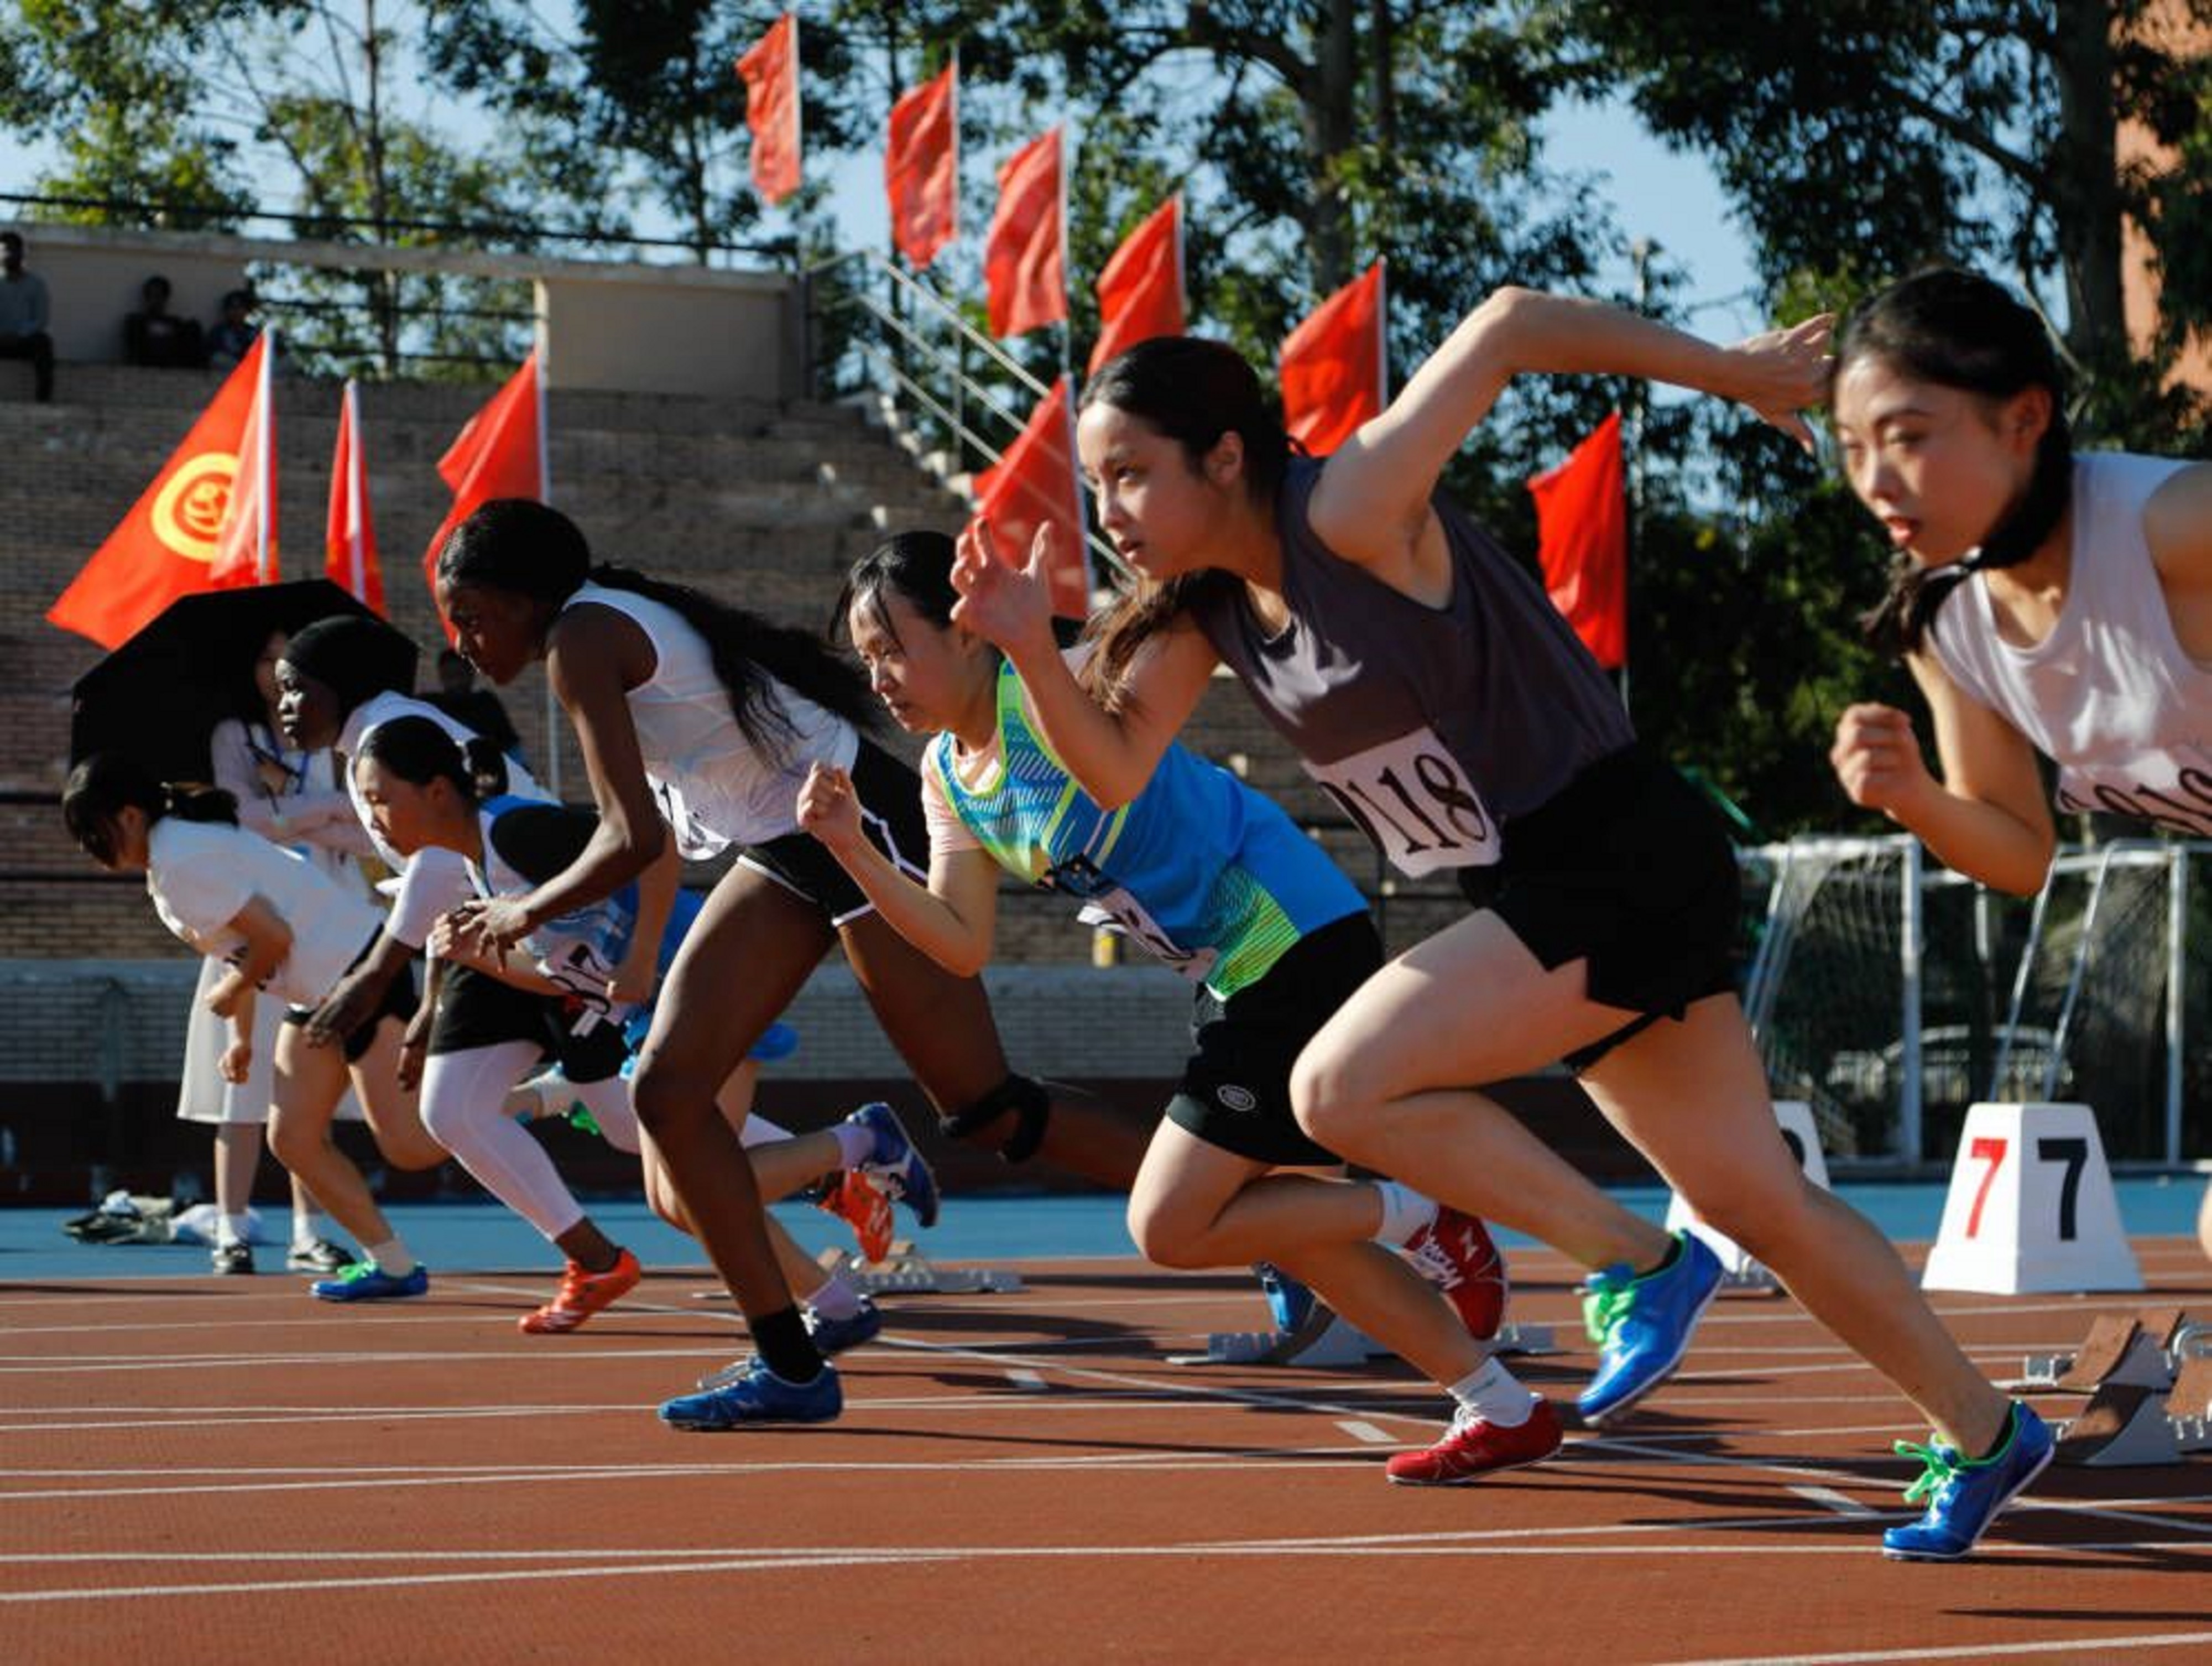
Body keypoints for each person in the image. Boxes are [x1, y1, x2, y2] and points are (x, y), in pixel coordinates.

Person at [946, 296, 2053, 1561]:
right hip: (1539, 889)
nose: (1110, 510)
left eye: (1131, 474)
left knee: (1336, 1086)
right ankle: (1984, 1430)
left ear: (1226, 455)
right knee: (1760, 1202)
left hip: (1612, 851)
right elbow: (1109, 768)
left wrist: (1725, 371)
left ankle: (1637, 1263)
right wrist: (1028, 648)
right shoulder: (1208, 612)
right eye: (1097, 484)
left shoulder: (1348, 510)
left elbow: (1510, 326)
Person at [804, 529, 1538, 1481]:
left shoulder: (1058, 680)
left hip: (1290, 939)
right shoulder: (948, 774)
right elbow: (961, 943)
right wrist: (853, 850)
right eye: (867, 659)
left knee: (1170, 1224)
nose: (880, 678)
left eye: (894, 649)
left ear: (967, 630)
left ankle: (1417, 1215)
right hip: (1233, 974)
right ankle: (1500, 1406)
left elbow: (1153, 667)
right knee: (1303, 1233)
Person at [429, 499, 1156, 1430]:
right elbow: (652, 833)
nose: (463, 642)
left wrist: (522, 908)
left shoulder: (583, 638)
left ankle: (1242, 1211)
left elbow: (630, 835)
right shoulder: (598, 626)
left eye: (474, 616)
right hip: (788, 845)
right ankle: (792, 1361)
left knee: (987, 1109)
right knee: (667, 1093)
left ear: (527, 597)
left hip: (858, 824)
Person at [1824, 265, 2212, 1277]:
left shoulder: (2175, 526)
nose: (1875, 480)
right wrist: (1913, 797)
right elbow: (2020, 853)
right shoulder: (1945, 622)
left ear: (2024, 419)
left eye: (1908, 436)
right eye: (1853, 447)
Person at [351, 714, 937, 1344]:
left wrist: (641, 956)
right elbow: (561, 977)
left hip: (707, 984)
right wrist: (477, 956)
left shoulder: (515, 832)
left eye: (381, 798)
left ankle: (859, 1153)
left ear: (438, 790)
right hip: (657, 1016)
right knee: (678, 1201)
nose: (373, 819)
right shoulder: (482, 870)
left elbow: (651, 842)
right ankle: (840, 1296)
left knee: (698, 1190)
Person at [60, 753, 444, 1298]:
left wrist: (228, 994)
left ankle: (543, 1097)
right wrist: (241, 1038)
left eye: (89, 830)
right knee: (293, 1139)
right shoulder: (173, 856)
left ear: (128, 816)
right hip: (319, 992)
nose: (87, 847)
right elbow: (243, 949)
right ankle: (396, 1267)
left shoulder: (180, 860)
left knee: (412, 1147)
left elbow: (274, 938)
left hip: (361, 976)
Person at [180, 626, 374, 1274]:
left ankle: (307, 1232)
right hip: (253, 918)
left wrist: (295, 811)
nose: (279, 674)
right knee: (240, 1081)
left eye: (290, 662)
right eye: (268, 660)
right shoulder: (234, 737)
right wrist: (319, 813)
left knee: (309, 1083)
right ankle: (231, 1229)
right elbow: (238, 818)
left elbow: (366, 826)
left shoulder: (335, 742)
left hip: (325, 923)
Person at [0, 231, 54, 403]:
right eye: (4, 251)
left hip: (25, 343)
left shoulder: (36, 284)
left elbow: (41, 319)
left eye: (12, 250)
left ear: (21, 253)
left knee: (44, 342)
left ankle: (43, 400)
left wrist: (20, 335)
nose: (8, 255)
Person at [123, 275, 205, 369]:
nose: (156, 300)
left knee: (193, 327)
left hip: (173, 363)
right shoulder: (137, 322)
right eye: (152, 296)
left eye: (159, 296)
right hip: (148, 362)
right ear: (146, 298)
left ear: (165, 298)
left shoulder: (176, 323)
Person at [205, 289, 259, 371]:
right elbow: (212, 355)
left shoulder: (253, 332)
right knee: (218, 358)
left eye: (240, 308)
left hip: (252, 368)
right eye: (232, 308)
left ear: (247, 311)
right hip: (231, 369)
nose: (236, 312)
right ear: (226, 311)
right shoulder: (219, 331)